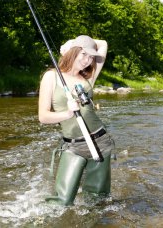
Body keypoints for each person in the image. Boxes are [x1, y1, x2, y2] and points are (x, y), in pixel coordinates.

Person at [38, 35, 114, 206]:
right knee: (61, 202)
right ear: (73, 52)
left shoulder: (88, 77)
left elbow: (104, 44)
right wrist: (67, 113)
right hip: (73, 146)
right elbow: (43, 117)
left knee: (97, 201)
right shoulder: (52, 76)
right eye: (83, 55)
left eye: (91, 57)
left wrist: (71, 42)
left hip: (100, 142)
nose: (88, 61)